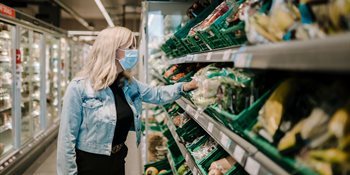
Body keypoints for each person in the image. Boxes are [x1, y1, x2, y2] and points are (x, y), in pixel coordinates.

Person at [56, 26, 198, 175]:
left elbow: (157, 94)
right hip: (90, 162)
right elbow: (66, 139)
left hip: (118, 158)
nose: (134, 51)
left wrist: (186, 86)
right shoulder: (79, 87)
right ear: (112, 49)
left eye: (134, 47)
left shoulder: (128, 83)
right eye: (129, 47)